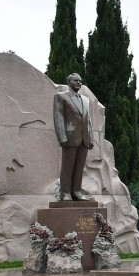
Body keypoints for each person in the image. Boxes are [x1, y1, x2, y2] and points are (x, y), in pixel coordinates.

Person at [53, 73, 94, 201]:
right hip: (69, 137)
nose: (79, 83)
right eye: (76, 80)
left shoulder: (86, 100)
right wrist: (61, 136)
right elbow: (58, 117)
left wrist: (91, 137)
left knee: (79, 167)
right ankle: (65, 193)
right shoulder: (61, 96)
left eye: (80, 81)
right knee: (67, 166)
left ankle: (76, 191)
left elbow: (88, 120)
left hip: (84, 138)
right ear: (69, 82)